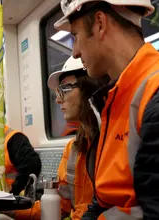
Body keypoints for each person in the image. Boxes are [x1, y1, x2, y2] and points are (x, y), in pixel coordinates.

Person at [55, 0, 159, 219]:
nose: (75, 52)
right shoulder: (112, 102)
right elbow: (104, 199)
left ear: (99, 24)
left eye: (75, 36)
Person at [15, 56, 108, 220]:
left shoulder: (113, 142)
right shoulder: (72, 149)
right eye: (58, 92)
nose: (58, 99)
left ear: (90, 88)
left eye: (64, 90)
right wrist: (8, 209)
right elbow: (60, 206)